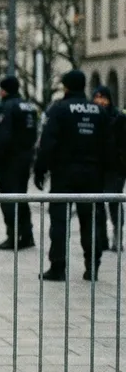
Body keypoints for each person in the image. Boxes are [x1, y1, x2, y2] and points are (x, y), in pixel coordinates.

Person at [36, 71, 114, 282]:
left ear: (67, 87)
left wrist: (40, 169)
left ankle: (58, 266)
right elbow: (108, 145)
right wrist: (106, 172)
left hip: (64, 173)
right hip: (93, 174)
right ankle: (92, 266)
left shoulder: (59, 109)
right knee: (91, 220)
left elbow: (48, 142)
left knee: (59, 221)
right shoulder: (99, 111)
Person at [0, 77, 39, 251]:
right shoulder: (28, 107)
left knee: (9, 198)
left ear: (4, 90)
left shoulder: (7, 107)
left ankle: (13, 235)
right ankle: (27, 234)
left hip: (9, 159)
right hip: (25, 157)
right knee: (21, 197)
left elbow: (3, 135)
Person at [94, 86, 126, 251]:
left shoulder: (119, 117)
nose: (100, 101)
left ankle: (117, 237)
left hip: (116, 167)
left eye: (103, 97)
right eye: (97, 97)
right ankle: (102, 239)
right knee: (98, 204)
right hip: (97, 167)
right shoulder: (92, 116)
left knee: (114, 202)